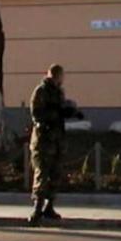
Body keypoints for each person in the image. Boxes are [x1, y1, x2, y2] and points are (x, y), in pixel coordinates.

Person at [28, 64, 81, 225]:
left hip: (57, 140)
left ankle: (49, 207)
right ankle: (37, 209)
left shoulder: (58, 92)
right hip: (44, 140)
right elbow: (36, 113)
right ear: (55, 75)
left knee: (56, 174)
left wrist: (71, 112)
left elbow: (61, 110)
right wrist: (53, 115)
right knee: (41, 174)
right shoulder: (41, 91)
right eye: (60, 76)